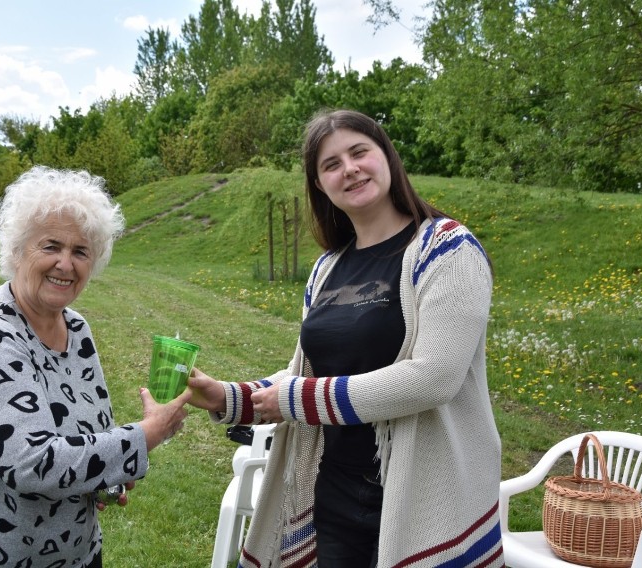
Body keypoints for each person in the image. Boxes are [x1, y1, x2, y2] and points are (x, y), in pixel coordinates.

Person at [188, 109, 505, 568]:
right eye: (331, 164)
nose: (349, 168)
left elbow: (435, 378)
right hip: (334, 494)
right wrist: (229, 396)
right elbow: (306, 376)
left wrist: (298, 400)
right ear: (320, 185)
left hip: (422, 498)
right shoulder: (327, 268)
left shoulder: (446, 249)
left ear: (387, 158)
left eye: (360, 152)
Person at [0, 166, 190, 568]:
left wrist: (102, 477)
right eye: (51, 246)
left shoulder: (76, 328)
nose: (65, 264)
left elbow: (86, 433)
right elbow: (31, 464)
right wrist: (145, 435)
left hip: (73, 553)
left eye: (81, 251)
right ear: (17, 250)